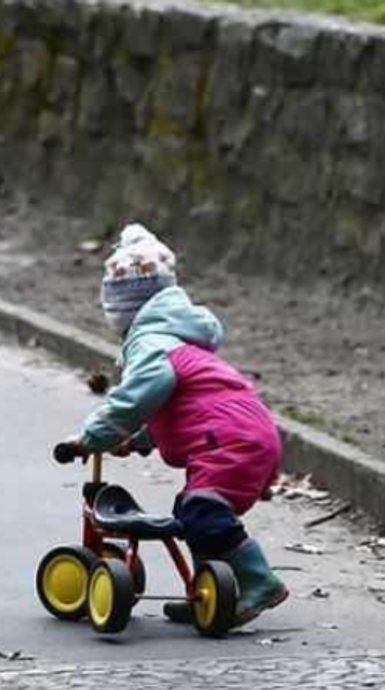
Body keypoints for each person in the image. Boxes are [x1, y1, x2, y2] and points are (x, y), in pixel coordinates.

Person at [60, 222, 288, 626]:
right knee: (195, 508)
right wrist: (137, 440)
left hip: (228, 438)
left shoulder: (150, 343)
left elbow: (143, 393)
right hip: (245, 432)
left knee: (199, 510)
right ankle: (210, 591)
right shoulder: (177, 341)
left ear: (123, 311)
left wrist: (93, 436)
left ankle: (257, 581)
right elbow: (181, 408)